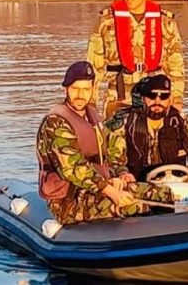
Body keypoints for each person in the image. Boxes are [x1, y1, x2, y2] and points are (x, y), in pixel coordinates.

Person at [36, 61, 173, 225]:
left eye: (86, 89)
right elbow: (72, 169)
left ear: (93, 89)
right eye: (75, 89)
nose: (80, 95)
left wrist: (120, 174)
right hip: (68, 201)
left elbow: (107, 155)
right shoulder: (56, 122)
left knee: (163, 194)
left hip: (100, 188)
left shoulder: (93, 117)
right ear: (66, 89)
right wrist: (111, 192)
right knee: (136, 205)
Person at [86, 0, 184, 120]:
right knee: (114, 141)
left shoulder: (165, 22)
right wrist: (90, 104)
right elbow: (94, 65)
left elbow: (176, 65)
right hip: (118, 97)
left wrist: (177, 100)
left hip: (155, 98)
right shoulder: (106, 21)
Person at [107, 74, 188, 183]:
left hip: (177, 183)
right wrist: (123, 173)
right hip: (138, 185)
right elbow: (113, 158)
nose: (157, 101)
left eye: (163, 97)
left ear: (170, 100)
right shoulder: (126, 122)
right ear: (143, 98)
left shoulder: (180, 121)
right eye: (152, 96)